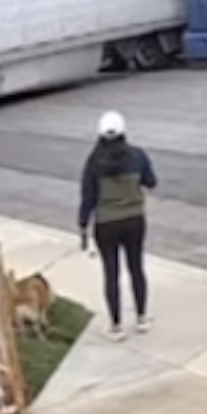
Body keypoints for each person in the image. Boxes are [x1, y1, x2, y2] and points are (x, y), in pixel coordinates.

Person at [77, 110, 157, 341]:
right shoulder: (137, 156)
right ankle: (141, 318)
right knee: (136, 268)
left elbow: (88, 197)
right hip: (134, 220)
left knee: (111, 273)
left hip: (106, 224)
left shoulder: (93, 163)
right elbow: (152, 182)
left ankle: (116, 325)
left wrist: (83, 225)